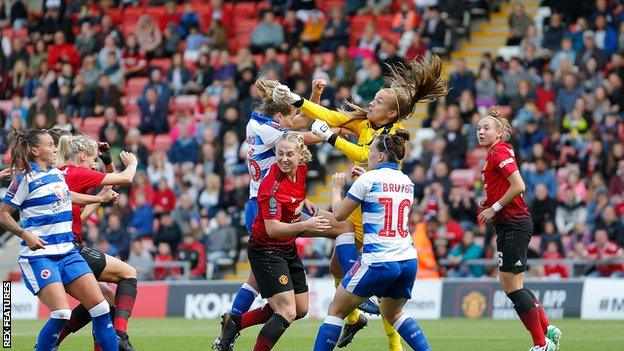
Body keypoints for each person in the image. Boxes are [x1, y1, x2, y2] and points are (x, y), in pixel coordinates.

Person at [272, 55, 446, 349]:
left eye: (378, 101)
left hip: (370, 210)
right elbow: (330, 117)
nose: (371, 104)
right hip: (380, 219)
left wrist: (331, 141)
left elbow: (365, 156)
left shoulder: (391, 138)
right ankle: (355, 318)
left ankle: (363, 316)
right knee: (336, 265)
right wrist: (297, 99)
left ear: (391, 114)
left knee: (348, 256)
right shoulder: (365, 124)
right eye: (374, 98)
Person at [214, 77, 354, 351]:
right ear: (279, 116)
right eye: (290, 118)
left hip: (267, 202)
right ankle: (353, 287)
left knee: (260, 284)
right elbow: (304, 136)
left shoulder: (258, 123)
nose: (294, 121)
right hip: (268, 205)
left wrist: (313, 94)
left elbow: (299, 121)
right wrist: (340, 128)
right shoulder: (270, 134)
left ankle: (230, 326)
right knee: (342, 227)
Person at [0, 129, 118, 351]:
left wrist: (98, 198)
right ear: (35, 150)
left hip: (68, 253)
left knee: (101, 308)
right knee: (62, 313)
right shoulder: (24, 179)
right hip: (40, 257)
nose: (55, 148)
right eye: (49, 145)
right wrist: (25, 235)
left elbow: (68, 195)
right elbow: (4, 215)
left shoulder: (56, 173)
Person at [313, 130, 430, 351]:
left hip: (379, 260)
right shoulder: (407, 181)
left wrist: (337, 189)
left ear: (381, 156)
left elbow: (339, 215)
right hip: (407, 260)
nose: (367, 155)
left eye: (371, 151)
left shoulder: (368, 179)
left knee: (336, 310)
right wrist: (363, 179)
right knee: (394, 313)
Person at [228, 132, 331, 351]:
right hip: (266, 250)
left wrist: (304, 201)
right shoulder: (270, 187)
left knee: (301, 309)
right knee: (287, 312)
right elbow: (273, 229)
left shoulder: (301, 170)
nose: (284, 158)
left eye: (289, 154)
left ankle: (234, 323)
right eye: (280, 153)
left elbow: (294, 192)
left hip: (287, 248)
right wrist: (305, 225)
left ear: (300, 155)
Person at [476, 107, 561, 351]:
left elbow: (519, 185)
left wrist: (494, 207)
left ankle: (540, 343)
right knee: (514, 286)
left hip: (513, 223)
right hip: (511, 223)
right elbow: (506, 186)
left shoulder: (499, 151)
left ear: (499, 132)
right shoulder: (494, 153)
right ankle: (547, 331)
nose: (481, 132)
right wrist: (489, 200)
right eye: (479, 128)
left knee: (511, 288)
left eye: (486, 128)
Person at [54, 134, 140, 351]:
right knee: (128, 273)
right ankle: (120, 335)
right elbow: (125, 179)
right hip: (69, 248)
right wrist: (133, 163)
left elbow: (88, 208)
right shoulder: (76, 173)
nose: (95, 164)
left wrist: (107, 161)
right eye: (93, 159)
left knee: (104, 300)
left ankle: (51, 343)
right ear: (82, 156)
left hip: (56, 248)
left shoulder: (59, 175)